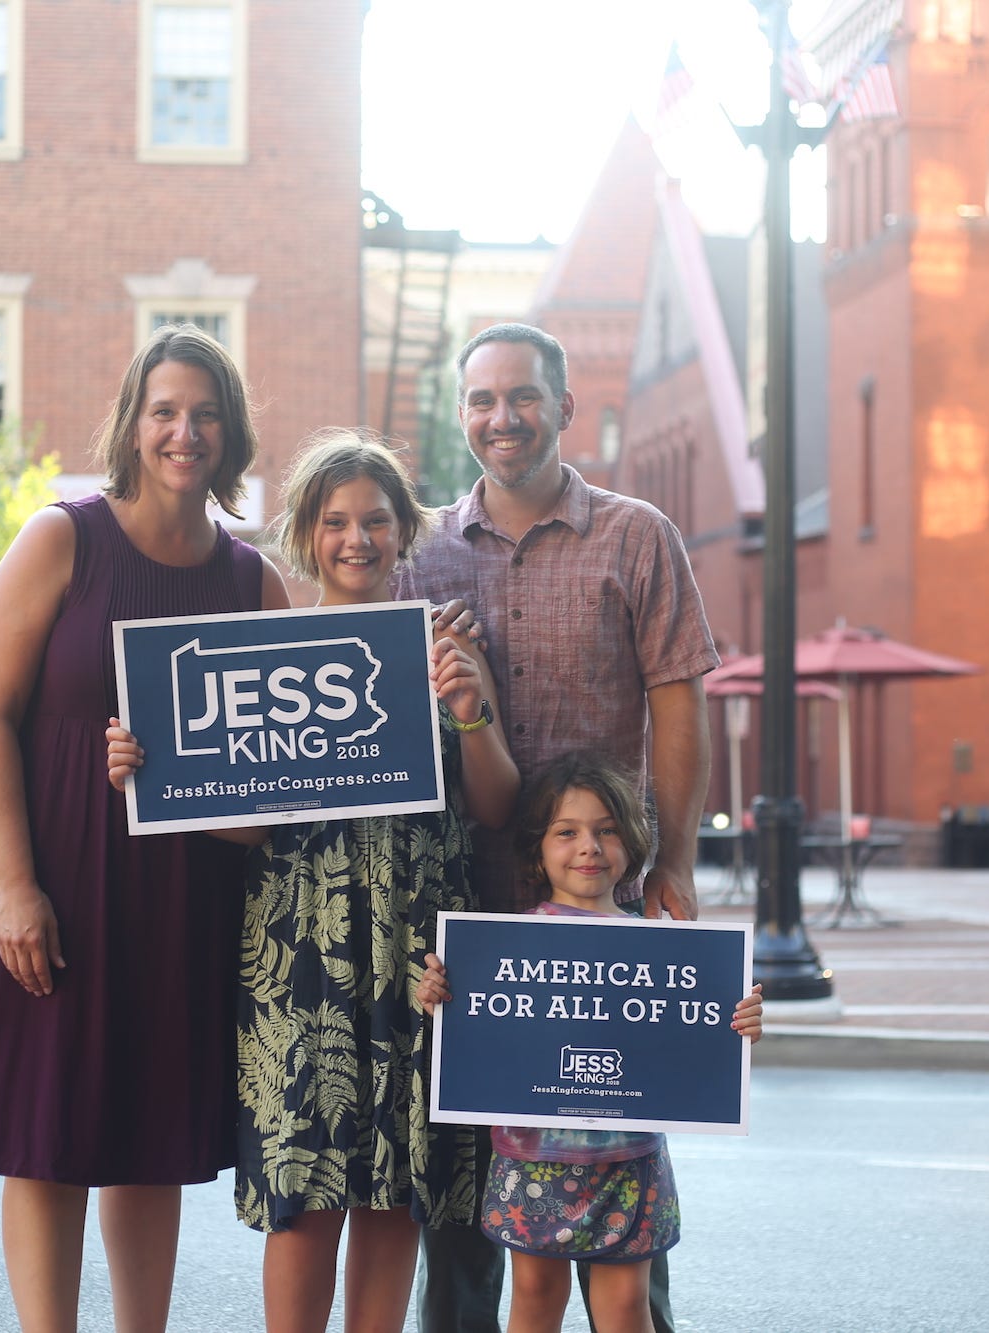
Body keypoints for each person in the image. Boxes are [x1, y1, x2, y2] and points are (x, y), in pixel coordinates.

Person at [0, 324, 290, 1333]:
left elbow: (274, 778)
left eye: (205, 414)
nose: (184, 431)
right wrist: (18, 887)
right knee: (47, 1132)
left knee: (148, 1138)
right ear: (132, 422)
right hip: (57, 877)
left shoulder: (252, 582)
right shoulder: (62, 538)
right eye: (165, 410)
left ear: (230, 433)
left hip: (180, 897)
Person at [107, 431, 520, 1333]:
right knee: (305, 1187)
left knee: (393, 1189)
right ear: (305, 531)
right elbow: (245, 819)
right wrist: (151, 770)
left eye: (376, 520)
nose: (356, 539)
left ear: (405, 530)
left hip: (420, 951)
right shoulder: (266, 654)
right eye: (335, 521)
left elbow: (494, 805)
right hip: (298, 953)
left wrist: (472, 709)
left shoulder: (442, 643)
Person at [400, 323, 721, 1333]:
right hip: (467, 913)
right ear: (461, 415)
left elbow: (677, 704)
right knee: (464, 1205)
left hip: (592, 912)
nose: (503, 417)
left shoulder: (636, 536)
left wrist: (671, 859)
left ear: (564, 409)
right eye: (482, 400)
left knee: (611, 1183)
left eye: (523, 397)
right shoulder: (423, 552)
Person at [417, 753, 763, 1333]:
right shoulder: (500, 945)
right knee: (534, 1298)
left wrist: (744, 1023)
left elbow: (701, 1048)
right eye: (567, 832)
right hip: (531, 1158)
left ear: (631, 844)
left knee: (627, 1310)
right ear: (537, 849)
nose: (589, 847)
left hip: (629, 1160)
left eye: (606, 830)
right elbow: (473, 1031)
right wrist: (439, 995)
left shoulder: (665, 950)